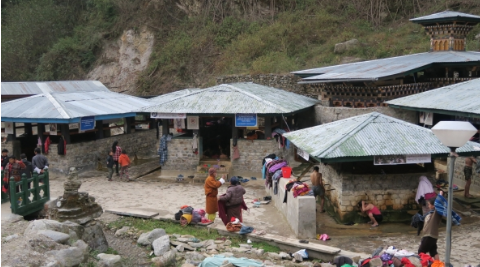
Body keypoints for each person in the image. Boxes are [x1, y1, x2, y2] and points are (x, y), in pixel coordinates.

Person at [418, 191, 444, 260]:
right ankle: (437, 264)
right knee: (433, 252)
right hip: (432, 236)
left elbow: (438, 203)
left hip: (429, 235)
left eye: (429, 204)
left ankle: (424, 264)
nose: (428, 206)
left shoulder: (436, 213)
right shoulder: (430, 213)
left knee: (421, 251)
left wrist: (440, 195)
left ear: (433, 205)